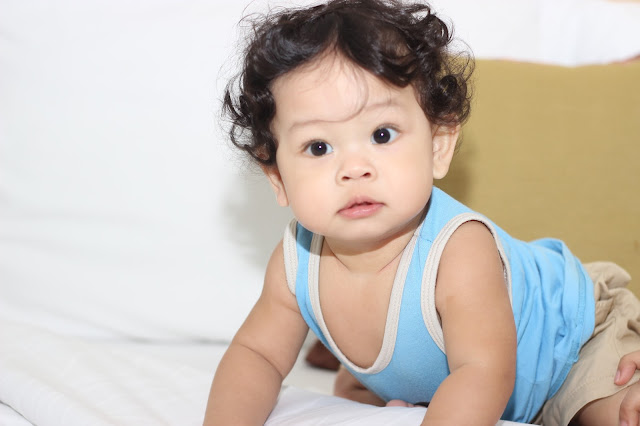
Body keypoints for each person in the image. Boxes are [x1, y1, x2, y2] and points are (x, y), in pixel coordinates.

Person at [203, 0, 640, 424]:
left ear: (437, 146)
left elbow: (483, 371)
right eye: (318, 147)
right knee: (356, 397)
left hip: (573, 345)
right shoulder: (296, 261)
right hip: (466, 379)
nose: (354, 168)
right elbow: (256, 355)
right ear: (278, 178)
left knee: (614, 413)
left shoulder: (459, 250)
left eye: (381, 134)